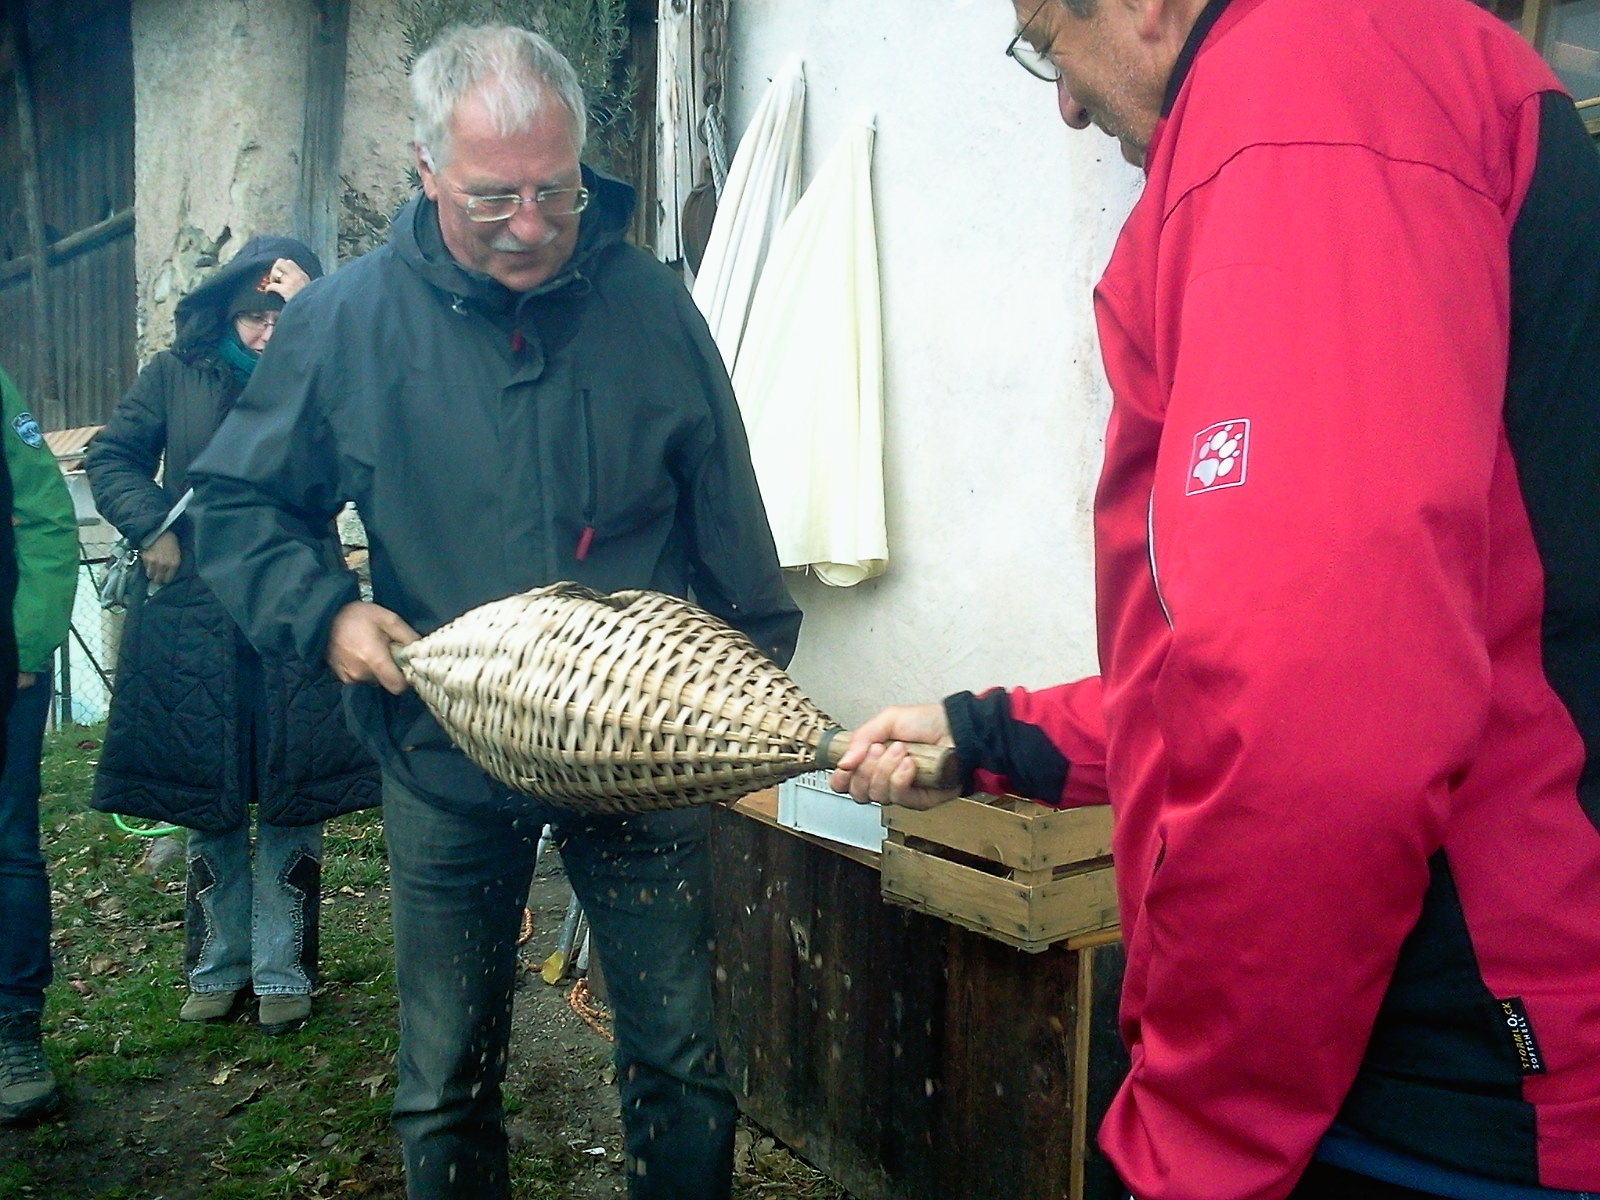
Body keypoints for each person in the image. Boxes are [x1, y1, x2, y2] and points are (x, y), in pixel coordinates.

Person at [833, 1, 1600, 1199]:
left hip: (1443, 1078)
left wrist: (1194, 1149)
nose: (1066, 102)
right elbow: (1312, 639)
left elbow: (1313, 716)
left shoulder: (1299, 97)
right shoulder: (1385, 69)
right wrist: (994, 734)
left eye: (1048, 39)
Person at [187, 25, 800, 1200]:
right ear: (426, 171)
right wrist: (327, 613)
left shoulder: (647, 305)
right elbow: (240, 509)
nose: (531, 224)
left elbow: (726, 509)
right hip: (443, 747)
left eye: (557, 192)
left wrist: (749, 679)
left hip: (637, 747)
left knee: (679, 1056)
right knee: (446, 1071)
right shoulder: (348, 321)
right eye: (492, 199)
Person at [86, 237, 379, 1037]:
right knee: (208, 790)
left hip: (297, 603)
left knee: (291, 787)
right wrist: (152, 527)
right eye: (253, 316)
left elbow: (373, 452)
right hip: (193, 611)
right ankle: (216, 966)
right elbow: (112, 456)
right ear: (227, 313)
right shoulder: (176, 374)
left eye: (282, 317)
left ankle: (285, 970)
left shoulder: (325, 379)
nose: (264, 334)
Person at [0, 367, 77, 1125]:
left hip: (4, 668)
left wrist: (29, 641)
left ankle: (12, 1030)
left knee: (6, 844)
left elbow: (50, 516)